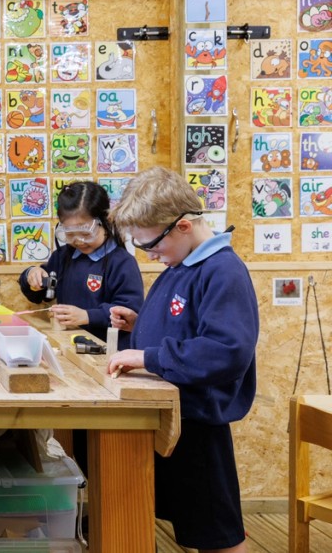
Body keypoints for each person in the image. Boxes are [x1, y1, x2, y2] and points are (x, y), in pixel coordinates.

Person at [107, 167, 258, 553]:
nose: (149, 254)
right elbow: (183, 325)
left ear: (184, 226)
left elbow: (226, 350)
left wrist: (149, 354)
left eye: (151, 245)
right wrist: (140, 326)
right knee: (193, 528)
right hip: (173, 417)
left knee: (217, 536)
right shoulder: (180, 264)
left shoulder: (222, 270)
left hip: (199, 425)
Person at [18, 180, 144, 347]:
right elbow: (39, 295)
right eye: (70, 234)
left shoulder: (122, 263)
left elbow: (129, 311)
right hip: (71, 346)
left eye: (85, 233)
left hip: (109, 351)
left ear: (104, 221)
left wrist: (88, 316)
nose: (78, 241)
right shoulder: (63, 257)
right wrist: (31, 276)